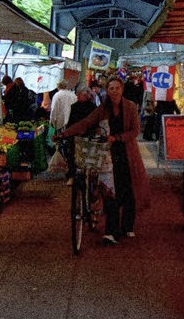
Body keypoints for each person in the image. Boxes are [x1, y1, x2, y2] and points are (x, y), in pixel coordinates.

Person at [56, 77, 150, 245]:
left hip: (127, 153)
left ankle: (127, 225)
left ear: (122, 89)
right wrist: (65, 134)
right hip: (107, 154)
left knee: (128, 189)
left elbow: (135, 130)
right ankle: (111, 232)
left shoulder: (130, 106)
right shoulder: (103, 108)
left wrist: (117, 137)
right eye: (111, 88)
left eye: (117, 88)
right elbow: (86, 123)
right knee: (110, 190)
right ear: (107, 90)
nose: (114, 91)